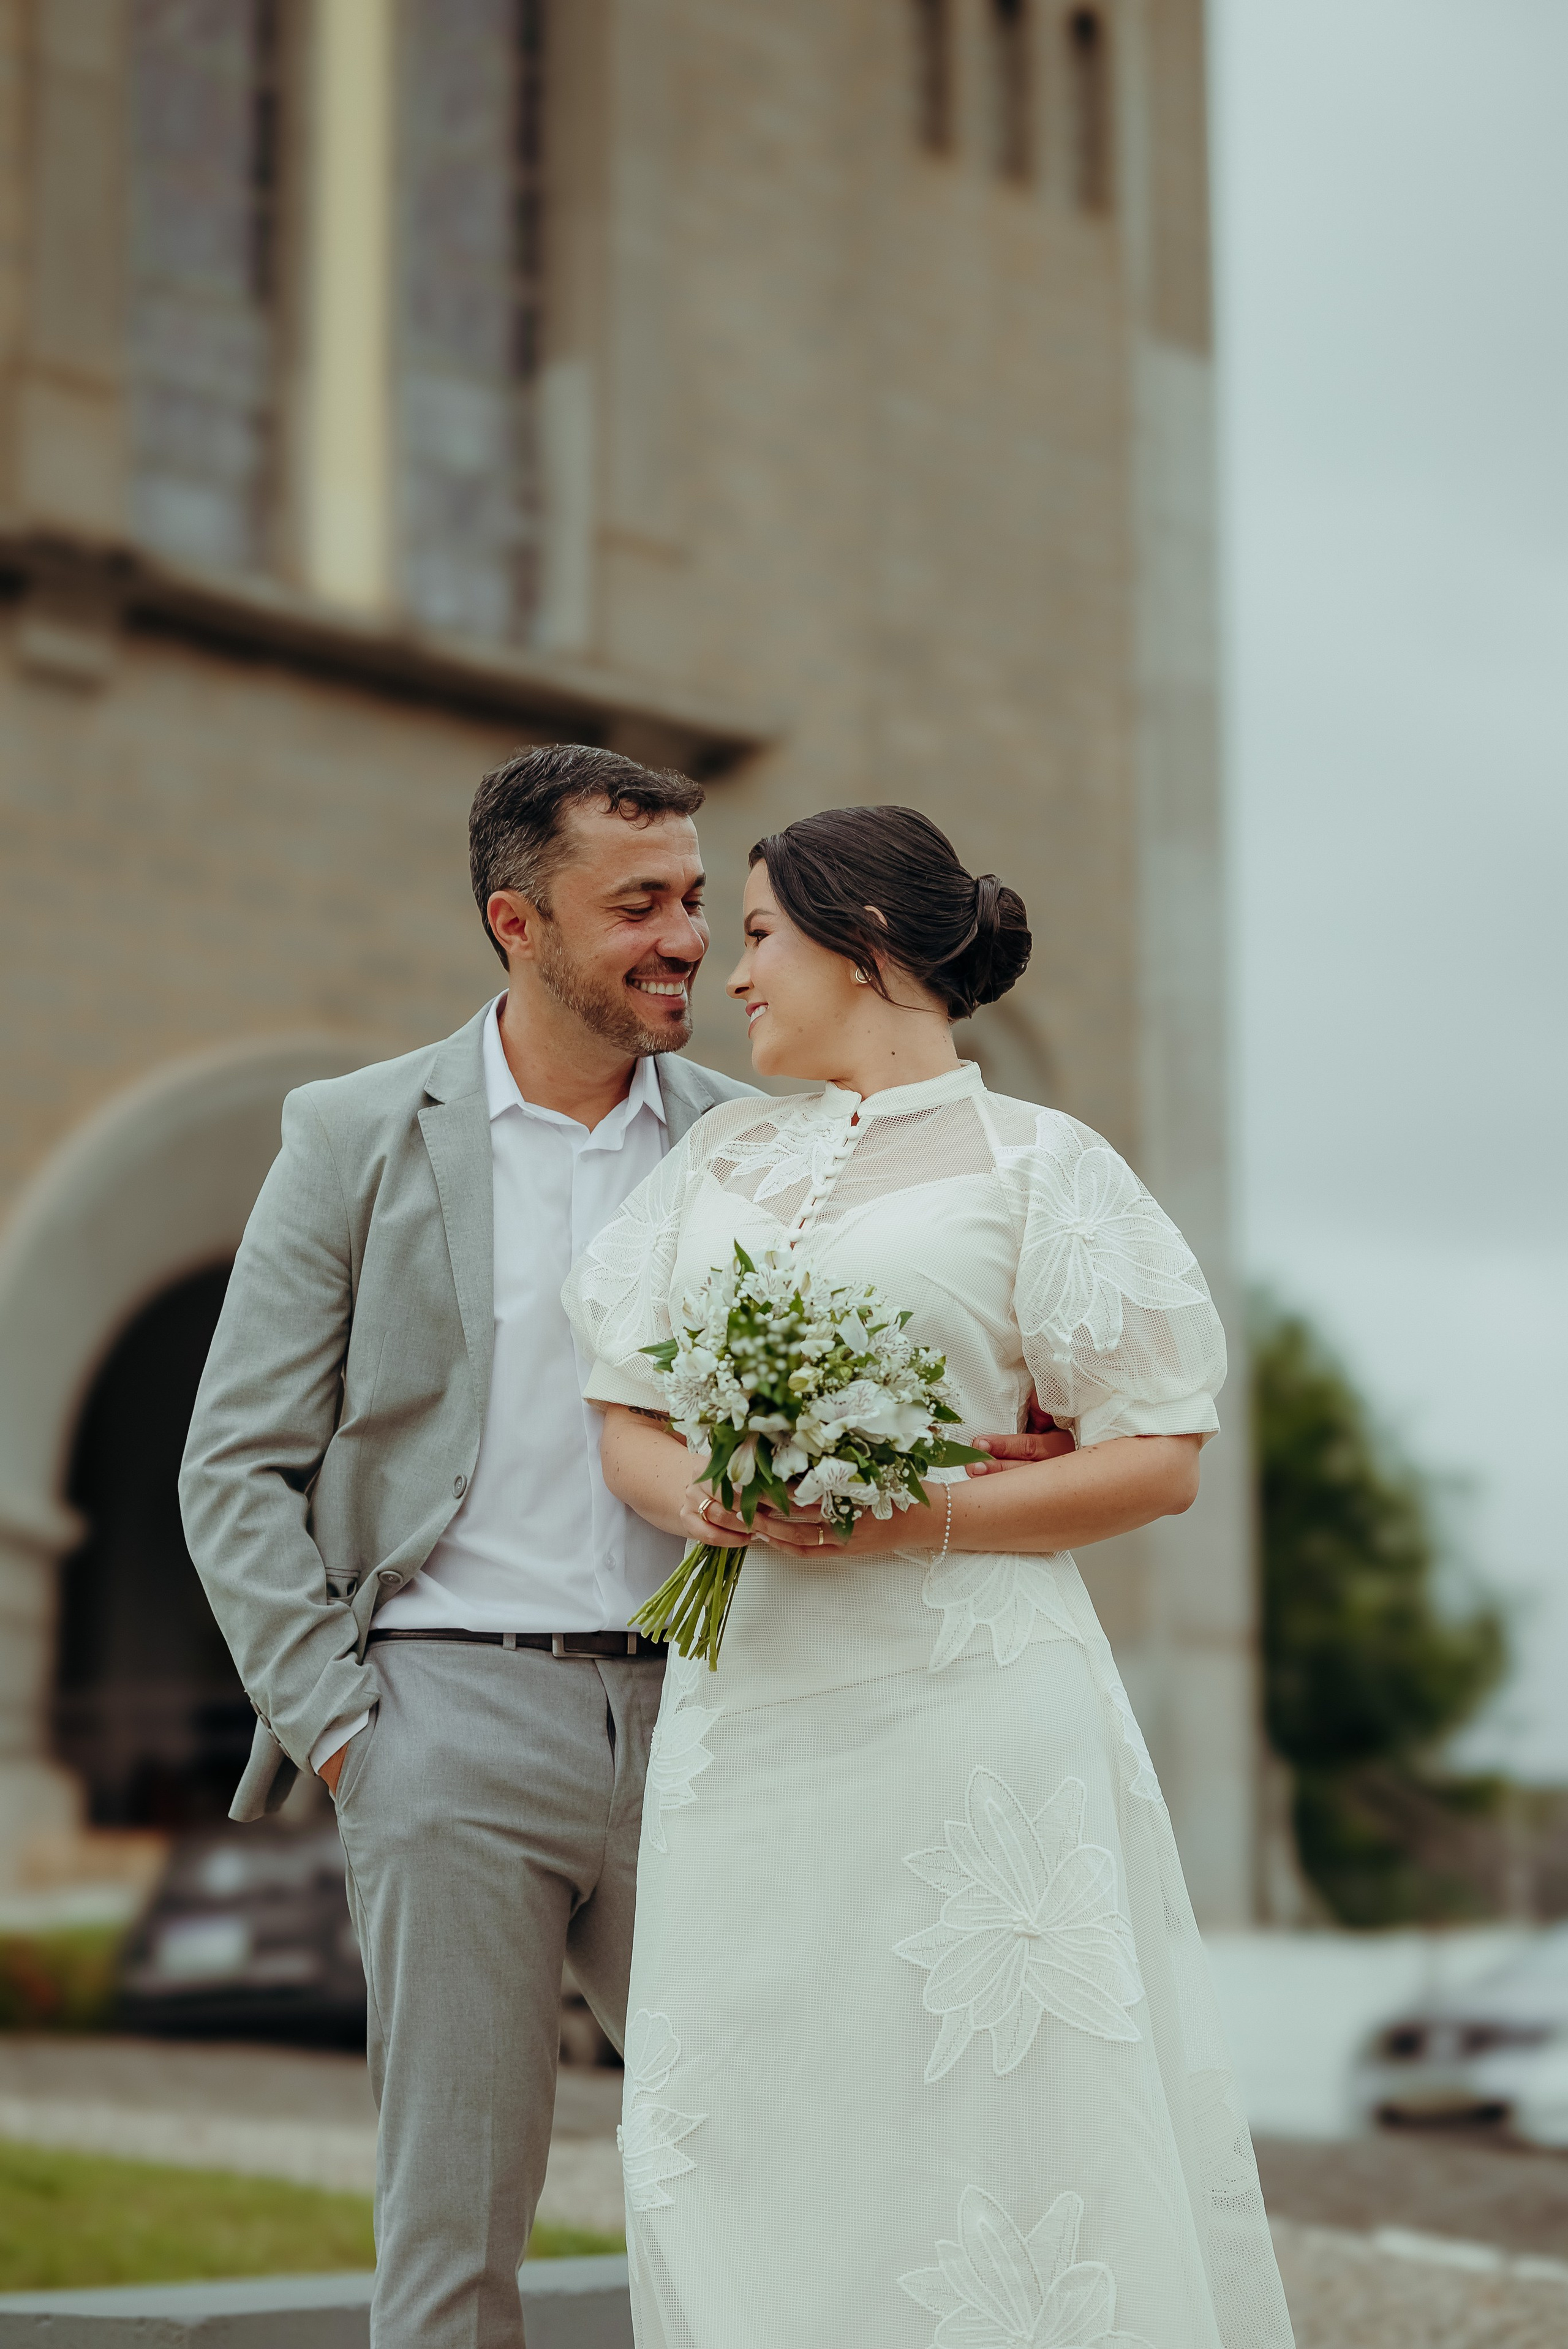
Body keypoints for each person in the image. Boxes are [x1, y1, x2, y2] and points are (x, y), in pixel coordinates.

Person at [563, 806, 1295, 2348]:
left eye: (758, 934)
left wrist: (913, 1509)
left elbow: (1157, 1454)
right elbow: (621, 1411)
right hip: (748, 1718)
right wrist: (714, 1495)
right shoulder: (718, 1156)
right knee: (745, 2117)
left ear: (864, 944)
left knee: (989, 2118)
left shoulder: (1045, 1165)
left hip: (968, 1725)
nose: (731, 971)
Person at [179, 744, 761, 2348]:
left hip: (712, 1726)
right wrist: (351, 1731)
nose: (688, 938)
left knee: (763, 2175)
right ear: (520, 919)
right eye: (638, 902)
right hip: (447, 1723)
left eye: (697, 900)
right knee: (455, 2229)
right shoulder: (356, 1134)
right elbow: (234, 1458)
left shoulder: (751, 1145)